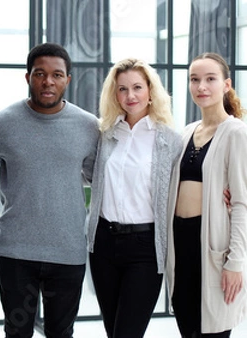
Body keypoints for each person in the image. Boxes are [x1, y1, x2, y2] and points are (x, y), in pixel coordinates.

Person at [0, 42, 100, 338]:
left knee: (61, 333)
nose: (48, 81)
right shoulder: (3, 123)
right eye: (40, 73)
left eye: (57, 75)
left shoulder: (88, 126)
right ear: (28, 77)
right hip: (17, 253)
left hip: (68, 251)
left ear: (67, 80)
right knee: (17, 332)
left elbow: (101, 178)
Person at [86, 58, 182, 337]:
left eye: (137, 87)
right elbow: (86, 171)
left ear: (151, 92)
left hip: (146, 248)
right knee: (112, 329)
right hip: (103, 243)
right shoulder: (106, 134)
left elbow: (186, 183)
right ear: (114, 94)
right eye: (122, 89)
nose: (130, 96)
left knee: (128, 332)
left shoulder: (170, 140)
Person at [166, 52, 247, 337]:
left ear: (226, 85)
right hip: (182, 244)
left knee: (213, 330)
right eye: (194, 79)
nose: (201, 86)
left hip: (213, 248)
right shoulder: (187, 132)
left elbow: (241, 203)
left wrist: (236, 262)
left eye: (210, 79)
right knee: (188, 329)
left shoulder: (236, 133)